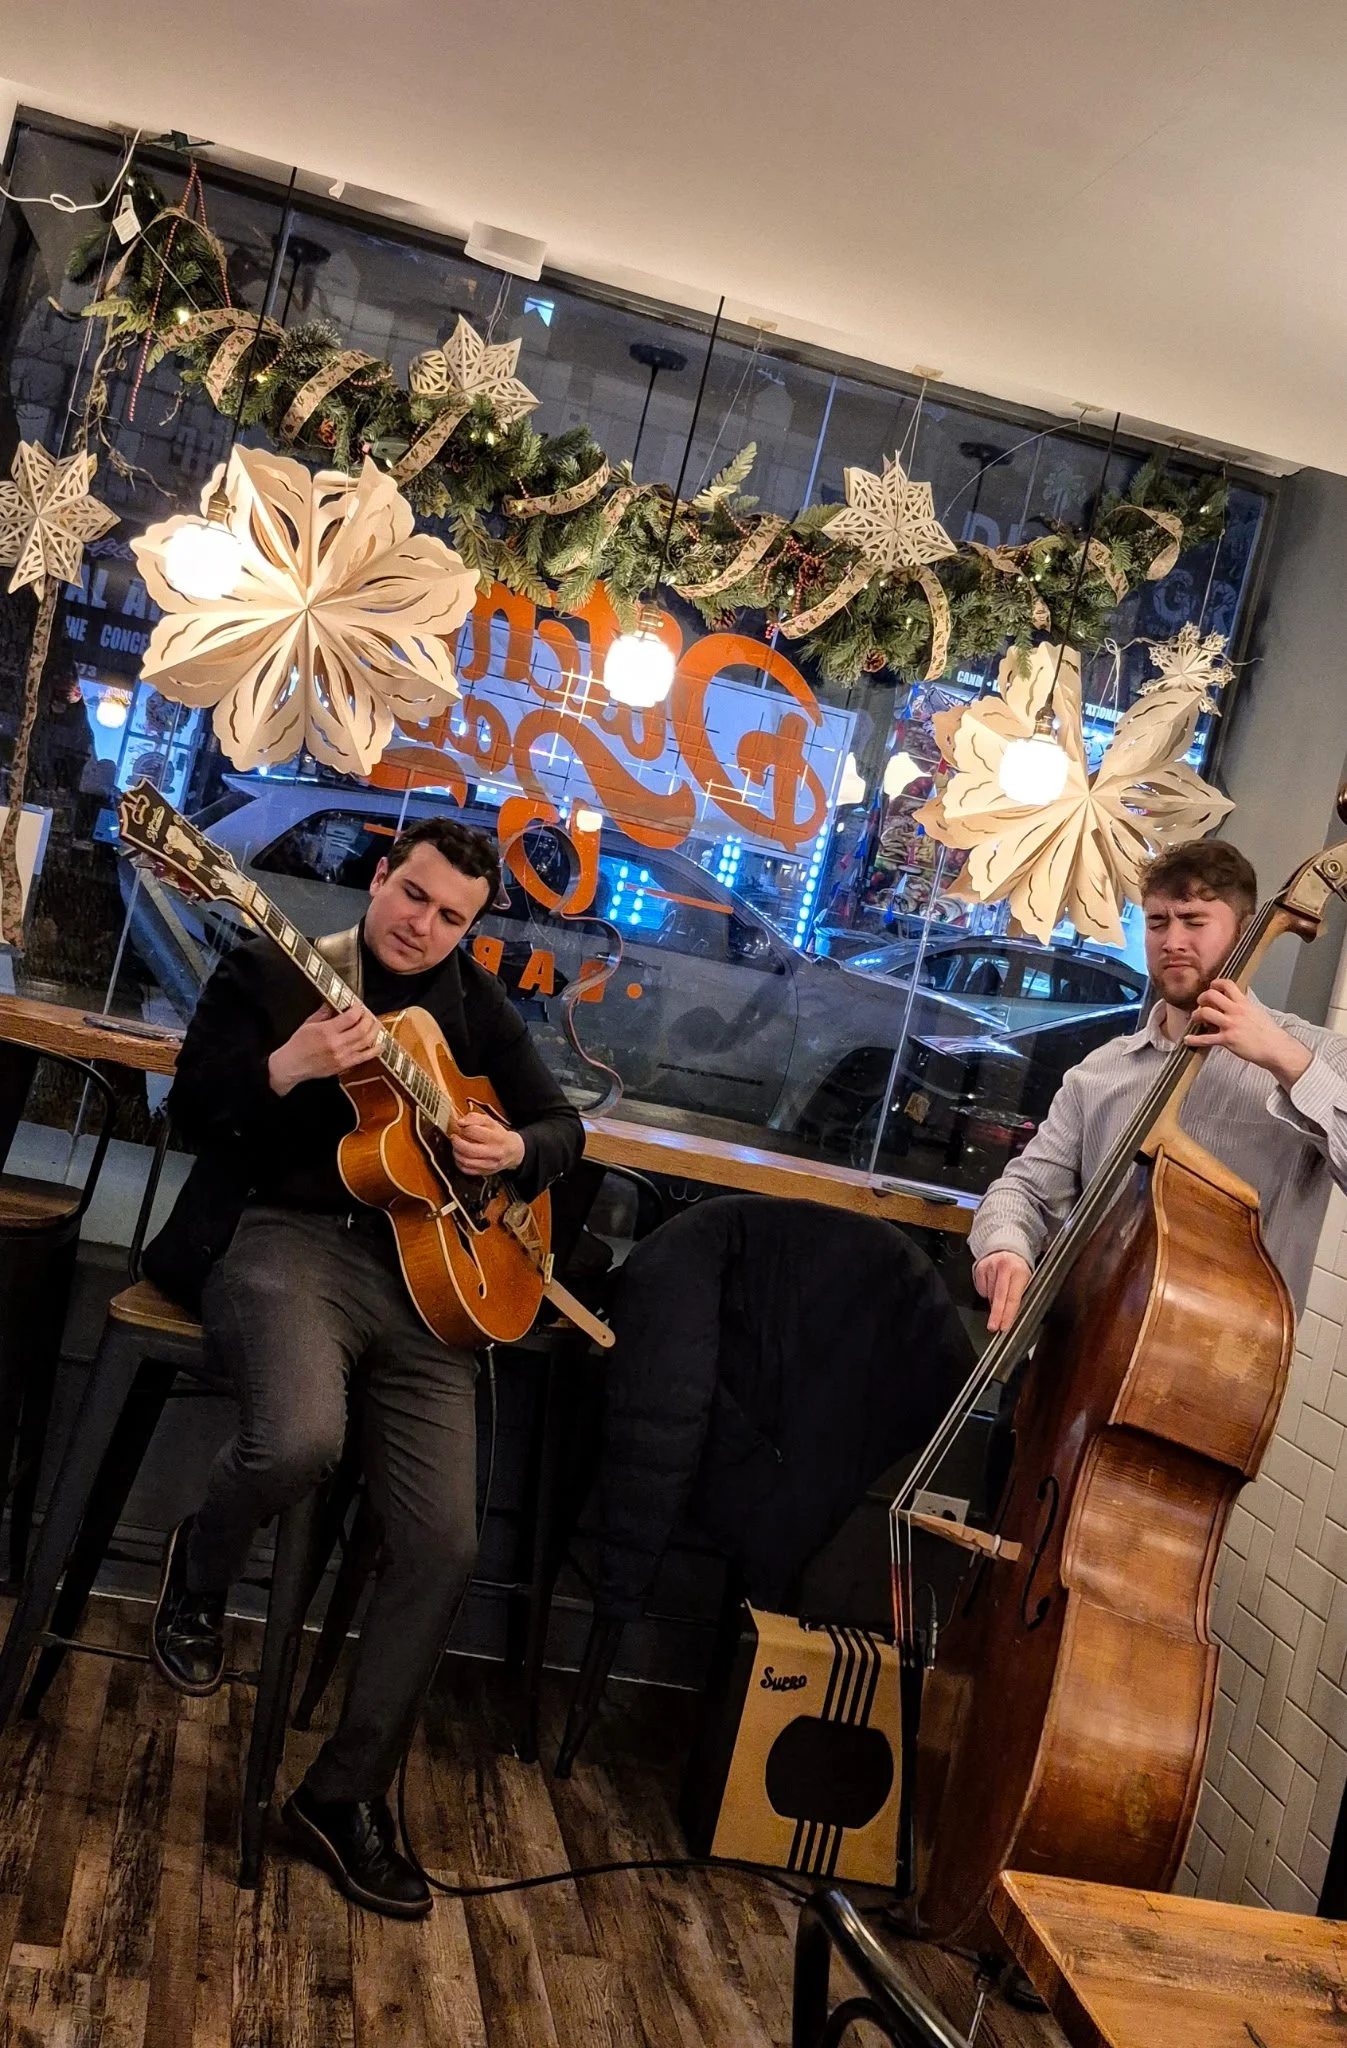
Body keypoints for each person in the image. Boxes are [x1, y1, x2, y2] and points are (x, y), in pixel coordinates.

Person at [149, 816, 583, 1918]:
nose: (422, 925)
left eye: (451, 917)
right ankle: (197, 1568)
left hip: (425, 1282)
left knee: (445, 1538)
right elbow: (192, 1111)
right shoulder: (268, 966)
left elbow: (561, 1124)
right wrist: (288, 1066)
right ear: (380, 876)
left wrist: (515, 1150)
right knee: (299, 1438)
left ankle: (342, 1798)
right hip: (281, 1245)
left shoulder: (475, 1003)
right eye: (414, 896)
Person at [970, 839, 1347, 1333]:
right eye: (1156, 922)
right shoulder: (1100, 1071)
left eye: (1193, 921)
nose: (1172, 941)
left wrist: (1286, 1060)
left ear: (1246, 931)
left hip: (1221, 1366)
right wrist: (1004, 1247)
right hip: (1078, 1353)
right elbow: (1024, 1189)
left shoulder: (1316, 1056)